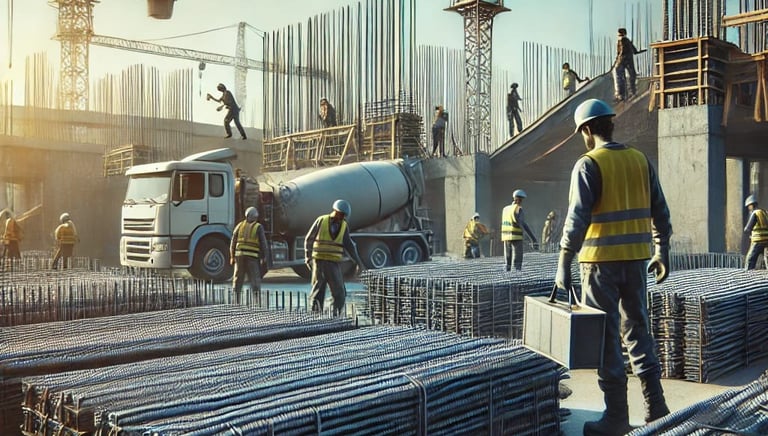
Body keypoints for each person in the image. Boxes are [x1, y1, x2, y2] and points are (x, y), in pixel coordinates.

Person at [555, 98, 672, 435]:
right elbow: (660, 212)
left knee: (607, 340)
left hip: (599, 265)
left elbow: (577, 218)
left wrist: (564, 261)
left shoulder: (588, 163)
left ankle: (617, 417)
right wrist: (661, 252)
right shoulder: (640, 160)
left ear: (588, 130)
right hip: (636, 261)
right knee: (638, 331)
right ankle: (657, 407)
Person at [304, 199, 366, 316]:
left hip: (333, 264)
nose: (342, 218)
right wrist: (308, 258)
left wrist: (359, 263)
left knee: (340, 294)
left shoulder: (344, 226)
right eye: (341, 215)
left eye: (344, 216)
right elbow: (309, 239)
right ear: (336, 211)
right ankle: (314, 318)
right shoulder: (321, 220)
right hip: (319, 263)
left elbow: (350, 246)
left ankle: (334, 317)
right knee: (318, 292)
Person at [230, 206, 270, 305]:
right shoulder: (258, 227)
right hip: (252, 258)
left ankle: (236, 301)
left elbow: (233, 242)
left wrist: (232, 256)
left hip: (239, 257)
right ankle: (257, 302)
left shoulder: (239, 226)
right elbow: (263, 243)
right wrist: (265, 257)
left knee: (238, 279)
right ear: (256, 216)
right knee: (255, 280)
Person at [500, 189, 538, 271]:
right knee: (517, 261)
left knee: (507, 260)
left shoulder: (505, 209)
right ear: (519, 199)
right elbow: (522, 224)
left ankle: (507, 275)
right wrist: (532, 238)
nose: (521, 202)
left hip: (506, 237)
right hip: (516, 236)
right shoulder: (518, 208)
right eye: (521, 200)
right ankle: (516, 275)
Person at [613, 28, 644, 102]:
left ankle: (621, 94)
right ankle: (632, 92)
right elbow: (635, 51)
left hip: (623, 60)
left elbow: (620, 52)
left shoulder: (621, 40)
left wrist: (617, 61)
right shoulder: (628, 41)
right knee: (632, 75)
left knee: (619, 76)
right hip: (628, 60)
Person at [743, 194, 768, 270]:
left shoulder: (755, 213)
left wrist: (748, 232)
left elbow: (747, 228)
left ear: (751, 205)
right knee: (766, 258)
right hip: (767, 240)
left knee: (750, 259)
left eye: (748, 206)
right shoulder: (765, 212)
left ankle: (748, 274)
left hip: (758, 240)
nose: (748, 208)